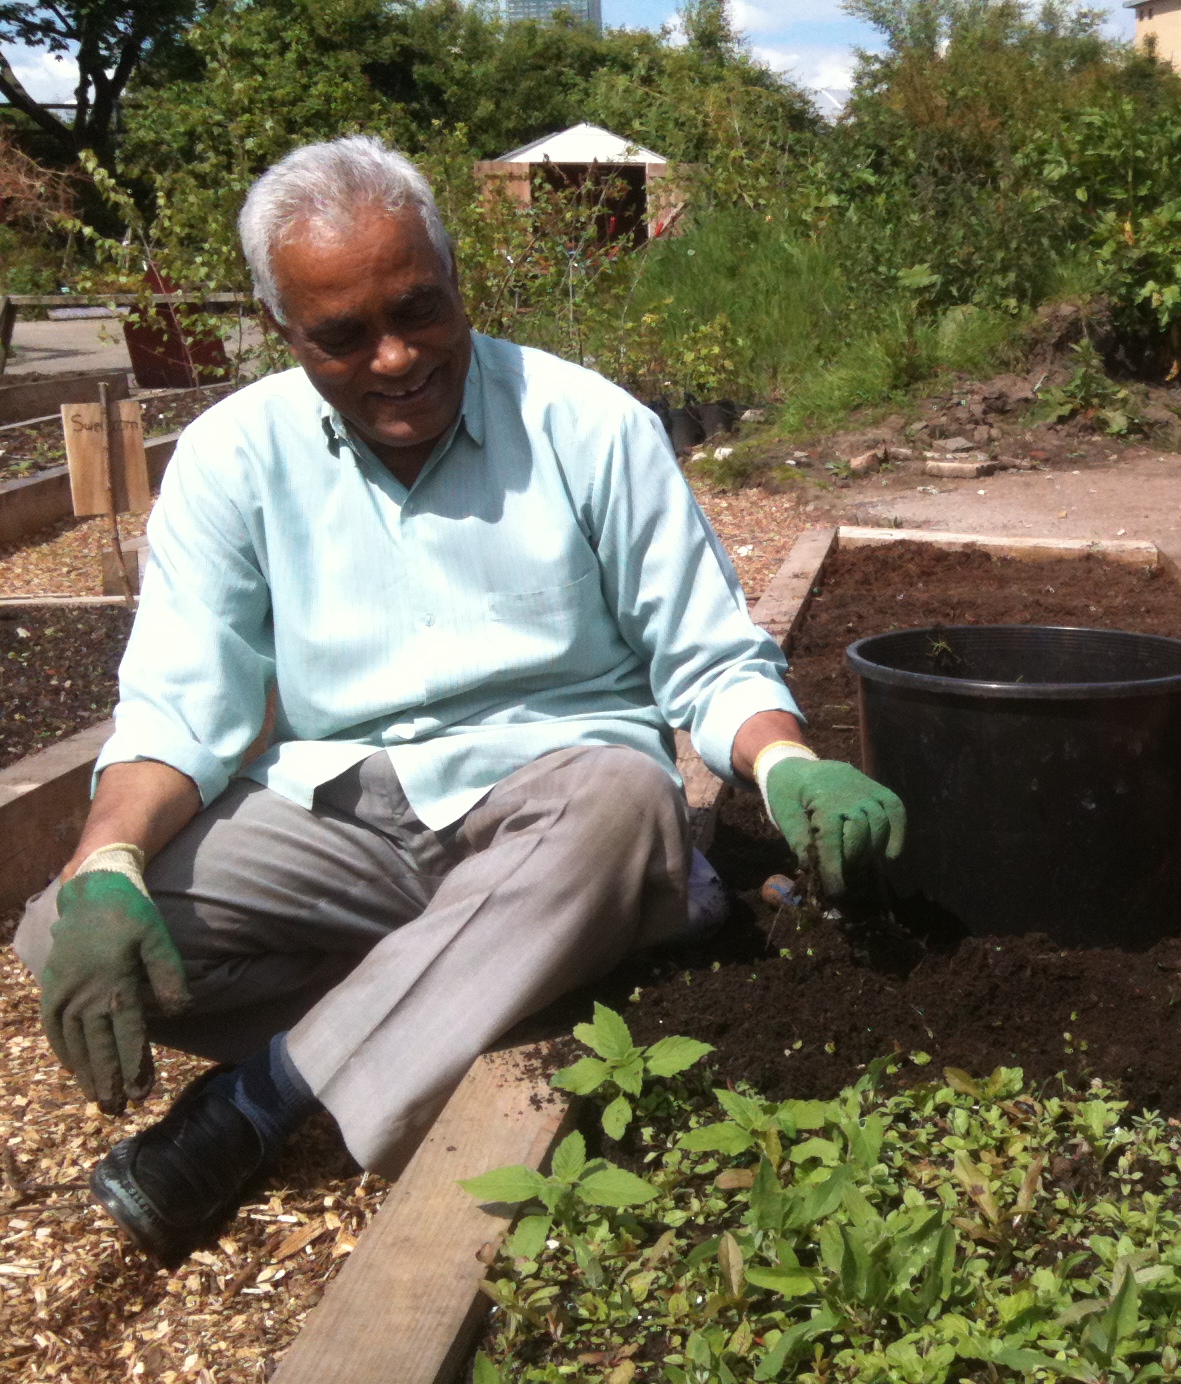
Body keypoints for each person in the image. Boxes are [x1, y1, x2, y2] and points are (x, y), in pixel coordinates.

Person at [10, 137, 904, 1269]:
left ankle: (258, 1104)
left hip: (558, 808)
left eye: (419, 311)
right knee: (63, 934)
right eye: (340, 337)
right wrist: (105, 864)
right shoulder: (235, 458)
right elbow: (181, 708)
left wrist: (783, 764)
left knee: (626, 798)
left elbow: (704, 655)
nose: (394, 358)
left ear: (454, 278)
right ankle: (493, 972)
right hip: (348, 813)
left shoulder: (588, 427)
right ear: (280, 330)